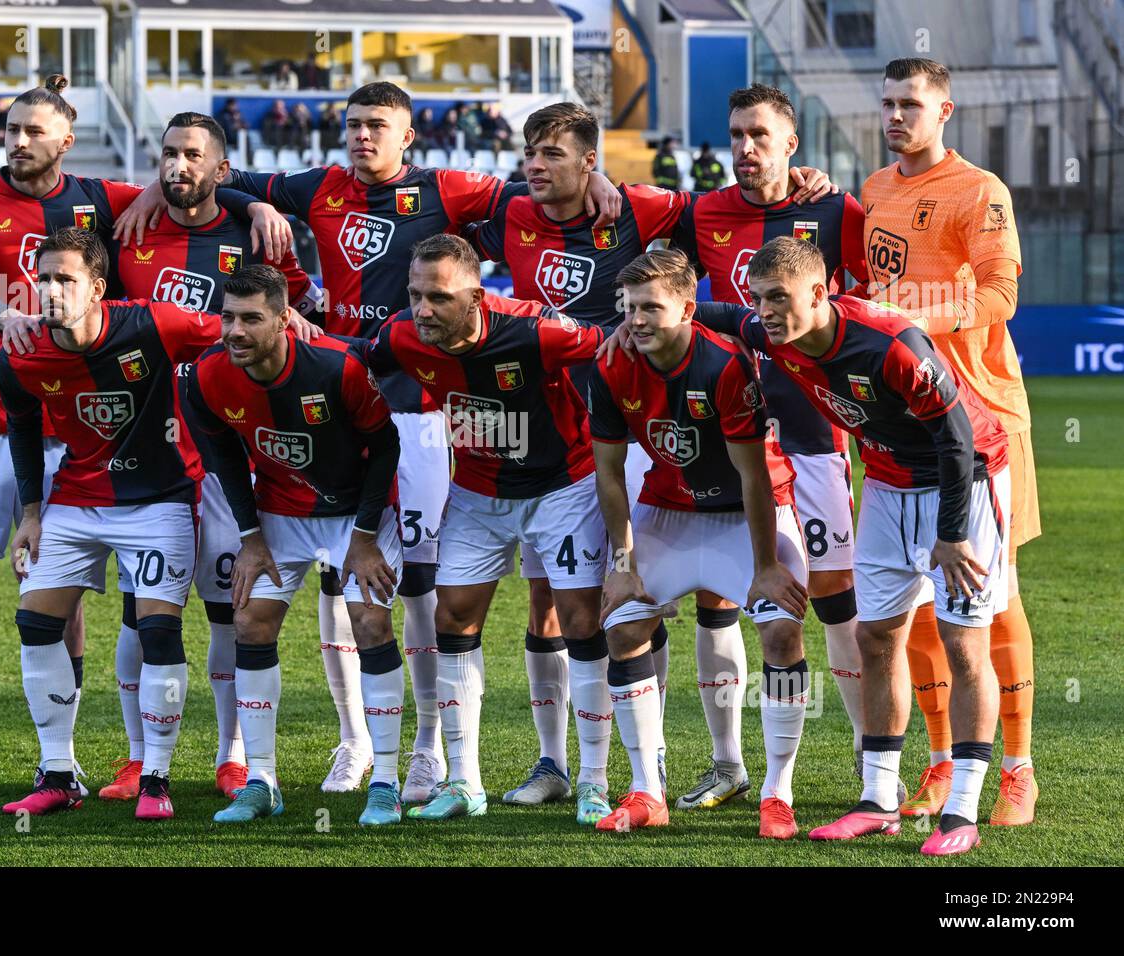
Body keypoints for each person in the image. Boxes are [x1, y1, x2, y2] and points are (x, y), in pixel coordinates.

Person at [115, 80, 622, 802]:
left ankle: (425, 752)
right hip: (335, 400)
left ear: (407, 135)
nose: (362, 137)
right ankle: (356, 741)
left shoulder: (449, 190)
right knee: (334, 587)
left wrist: (597, 173)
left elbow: (539, 180)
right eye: (352, 125)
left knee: (410, 585)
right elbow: (214, 177)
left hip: (418, 418)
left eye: (377, 126)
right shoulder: (315, 185)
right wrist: (210, 199)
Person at [462, 101, 832, 810]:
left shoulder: (710, 338)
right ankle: (616, 778)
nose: (538, 163)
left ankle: (754, 777)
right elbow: (429, 236)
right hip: (577, 449)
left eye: (554, 152)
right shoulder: (519, 222)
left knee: (749, 614)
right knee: (588, 607)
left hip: (708, 488)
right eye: (530, 152)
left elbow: (726, 203)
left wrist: (794, 179)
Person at [5, 111, 320, 803]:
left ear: (220, 167)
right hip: (144, 451)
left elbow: (283, 314)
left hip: (227, 447)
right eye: (168, 155)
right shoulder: (129, 229)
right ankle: (138, 759)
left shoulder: (254, 231)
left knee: (224, 609)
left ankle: (232, 754)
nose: (177, 167)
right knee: (138, 614)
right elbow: (71, 258)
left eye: (192, 156)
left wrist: (255, 201)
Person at [673, 236, 1011, 856]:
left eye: (779, 298)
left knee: (964, 642)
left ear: (822, 292)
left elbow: (958, 437)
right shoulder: (771, 330)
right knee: (874, 636)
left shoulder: (891, 344)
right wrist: (659, 312)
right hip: (884, 481)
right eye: (759, 299)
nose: (766, 311)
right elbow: (715, 313)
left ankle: (962, 810)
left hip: (964, 479)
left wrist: (953, 534)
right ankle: (878, 800)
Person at [0, 74, 142, 801]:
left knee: (61, 595)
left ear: (66, 140)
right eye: (10, 130)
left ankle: (62, 760)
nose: (17, 142)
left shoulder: (101, 200)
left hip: (70, 429)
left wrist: (257, 202)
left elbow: (185, 194)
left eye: (33, 131)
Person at [668, 83, 879, 810]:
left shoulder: (834, 210)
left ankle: (867, 755)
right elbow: (668, 290)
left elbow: (874, 303)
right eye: (736, 134)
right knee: (720, 600)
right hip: (727, 435)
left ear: (792, 144)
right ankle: (730, 765)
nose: (746, 148)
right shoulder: (700, 213)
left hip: (815, 436)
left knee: (836, 601)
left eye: (760, 134)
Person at [367, 234, 611, 823]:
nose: (423, 310)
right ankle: (465, 783)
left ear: (477, 297)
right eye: (415, 295)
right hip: (478, 490)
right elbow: (368, 367)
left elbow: (610, 349)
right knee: (453, 615)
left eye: (439, 299)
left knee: (579, 619)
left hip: (563, 488)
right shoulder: (402, 335)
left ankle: (594, 781)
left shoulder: (536, 331)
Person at [863, 57, 1039, 827]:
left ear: (946, 112)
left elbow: (1001, 293)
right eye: (890, 103)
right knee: (920, 610)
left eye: (912, 104)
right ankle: (942, 764)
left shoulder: (979, 191)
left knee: (993, 600)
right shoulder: (872, 190)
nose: (898, 115)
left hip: (986, 416)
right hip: (903, 422)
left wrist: (911, 321)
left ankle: (1018, 769)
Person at [0, 227, 219, 820]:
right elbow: (21, 426)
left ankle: (157, 780)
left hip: (160, 499)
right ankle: (59, 772)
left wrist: (302, 329)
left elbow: (238, 332)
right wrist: (31, 512)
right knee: (35, 621)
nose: (50, 290)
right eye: (42, 279)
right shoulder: (18, 352)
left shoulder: (152, 324)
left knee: (158, 634)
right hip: (75, 499)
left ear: (96, 287)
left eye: (64, 279)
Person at [590, 249, 810, 837]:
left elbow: (752, 476)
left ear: (688, 309)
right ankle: (645, 791)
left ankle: (776, 792)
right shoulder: (610, 366)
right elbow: (609, 474)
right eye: (630, 308)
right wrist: (623, 565)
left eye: (651, 309)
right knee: (624, 622)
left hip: (747, 512)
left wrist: (765, 567)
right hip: (670, 509)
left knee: (782, 626)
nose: (636, 321)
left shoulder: (724, 364)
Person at [187, 265, 406, 827]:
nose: (233, 331)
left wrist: (361, 539)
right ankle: (260, 780)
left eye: (250, 319)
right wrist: (251, 537)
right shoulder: (204, 377)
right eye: (227, 317)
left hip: (355, 512)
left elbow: (385, 446)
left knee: (371, 625)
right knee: (251, 624)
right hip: (280, 512)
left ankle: (384, 780)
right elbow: (225, 461)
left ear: (285, 319)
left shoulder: (338, 366)